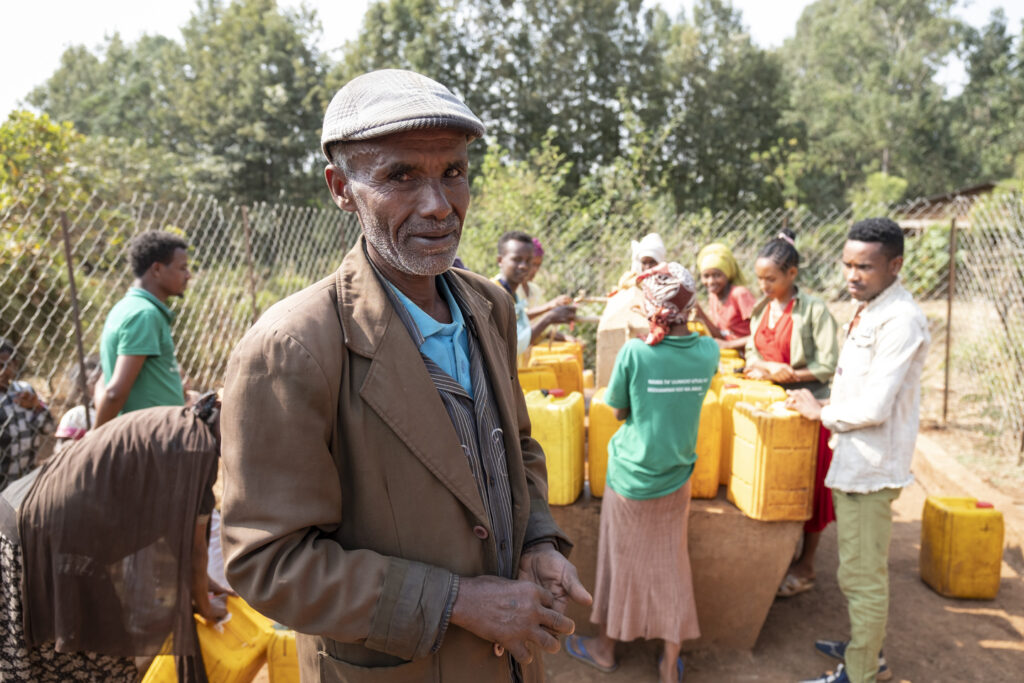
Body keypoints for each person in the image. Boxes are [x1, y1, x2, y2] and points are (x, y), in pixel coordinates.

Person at [220, 69, 591, 683]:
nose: (439, 206)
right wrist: (458, 602)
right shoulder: (292, 347)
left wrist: (537, 545)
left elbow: (515, 449)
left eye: (453, 172)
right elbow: (270, 561)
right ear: (342, 189)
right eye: (401, 176)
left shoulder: (487, 306)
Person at [788, 218, 929, 683]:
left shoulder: (901, 319)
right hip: (855, 459)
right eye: (848, 264)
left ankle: (864, 672)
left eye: (864, 267)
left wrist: (818, 412)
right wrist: (827, 402)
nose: (852, 275)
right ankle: (865, 648)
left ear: (895, 265)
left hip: (871, 469)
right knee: (856, 572)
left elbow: (872, 407)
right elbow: (859, 390)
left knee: (863, 579)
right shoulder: (871, 308)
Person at [0, 394, 227, 682]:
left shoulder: (174, 422)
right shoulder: (198, 449)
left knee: (58, 660)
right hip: (41, 542)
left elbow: (178, 540)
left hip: (19, 517)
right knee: (92, 662)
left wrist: (204, 584)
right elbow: (194, 552)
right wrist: (208, 608)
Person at [566, 262, 718, 683]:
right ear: (690, 306)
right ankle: (670, 662)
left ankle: (605, 649)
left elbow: (617, 409)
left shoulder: (637, 352)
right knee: (672, 565)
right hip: (676, 478)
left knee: (620, 564)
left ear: (650, 308)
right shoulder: (709, 352)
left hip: (632, 478)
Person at [742, 230, 839, 598]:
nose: (764, 285)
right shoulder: (760, 310)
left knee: (810, 490)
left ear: (792, 274)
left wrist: (792, 374)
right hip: (772, 408)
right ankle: (780, 556)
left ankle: (807, 563)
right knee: (776, 485)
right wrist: (764, 368)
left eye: (772, 279)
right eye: (760, 279)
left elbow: (829, 364)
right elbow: (751, 352)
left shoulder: (814, 311)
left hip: (809, 412)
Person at [95, 230, 191, 427]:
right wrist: (95, 439)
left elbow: (104, 380)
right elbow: (114, 393)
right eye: (182, 268)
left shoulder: (128, 308)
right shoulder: (144, 315)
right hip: (149, 441)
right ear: (156, 269)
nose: (188, 275)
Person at [493, 231, 576, 355]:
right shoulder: (492, 293)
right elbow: (514, 345)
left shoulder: (513, 295)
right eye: (517, 259)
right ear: (500, 260)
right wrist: (549, 318)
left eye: (528, 261)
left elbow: (522, 332)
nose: (524, 266)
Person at [0, 339, 54, 490]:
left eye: (7, 365)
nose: (3, 371)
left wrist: (37, 407)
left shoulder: (24, 391)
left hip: (27, 483)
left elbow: (49, 428)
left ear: (15, 364)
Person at [692, 242, 756, 351]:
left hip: (748, 352)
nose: (711, 281)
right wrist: (700, 314)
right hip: (729, 352)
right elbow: (721, 337)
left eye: (717, 275)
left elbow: (762, 334)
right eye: (706, 276)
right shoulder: (713, 297)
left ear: (727, 275)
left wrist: (729, 345)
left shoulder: (739, 294)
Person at [53, 354, 102, 453]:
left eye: (102, 381)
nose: (100, 386)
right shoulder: (77, 414)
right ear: (80, 389)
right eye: (94, 382)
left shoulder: (113, 408)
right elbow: (60, 448)